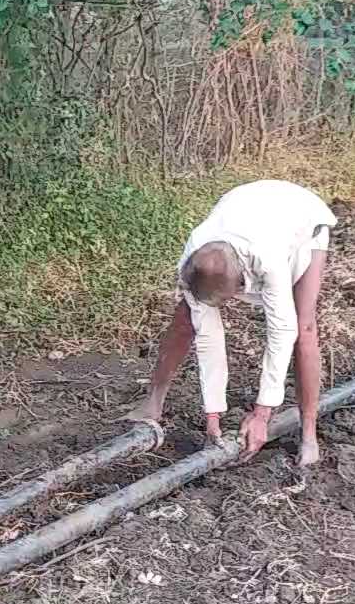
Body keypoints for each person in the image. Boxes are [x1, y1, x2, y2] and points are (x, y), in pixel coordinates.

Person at [127, 179, 335, 466]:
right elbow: (208, 339)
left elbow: (280, 333)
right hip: (244, 204)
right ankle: (152, 403)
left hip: (300, 214)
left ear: (240, 285)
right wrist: (212, 414)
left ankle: (309, 434)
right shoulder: (195, 258)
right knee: (186, 319)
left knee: (303, 327)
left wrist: (263, 413)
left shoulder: (268, 258)